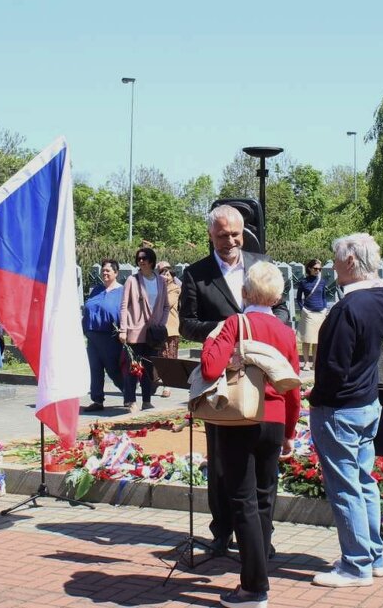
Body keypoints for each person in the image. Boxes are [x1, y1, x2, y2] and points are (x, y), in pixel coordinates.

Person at [179, 204, 290, 557]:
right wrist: (225, 332)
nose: (230, 241)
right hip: (222, 383)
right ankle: (221, 531)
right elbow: (186, 324)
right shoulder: (196, 273)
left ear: (244, 233)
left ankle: (260, 539)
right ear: (210, 234)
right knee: (221, 463)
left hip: (265, 378)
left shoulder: (261, 262)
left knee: (264, 473)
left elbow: (283, 308)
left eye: (235, 235)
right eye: (222, 235)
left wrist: (261, 330)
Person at [201, 261, 300, 608]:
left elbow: (210, 367)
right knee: (263, 500)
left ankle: (254, 587)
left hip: (240, 419)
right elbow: (293, 388)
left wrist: (217, 345)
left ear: (245, 292)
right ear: (278, 295)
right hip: (274, 421)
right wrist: (290, 431)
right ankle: (259, 574)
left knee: (241, 501)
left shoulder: (235, 323)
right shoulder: (287, 332)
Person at [308, 233, 383, 588]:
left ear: (351, 263)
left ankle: (355, 564)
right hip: (366, 402)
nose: (331, 265)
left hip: (339, 407)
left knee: (346, 488)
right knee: (364, 482)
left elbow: (333, 366)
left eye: (335, 259)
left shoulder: (347, 308)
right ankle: (373, 555)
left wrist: (315, 396)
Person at [118, 247, 169, 412]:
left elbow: (167, 306)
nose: (141, 261)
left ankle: (146, 400)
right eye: (138, 258)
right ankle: (131, 400)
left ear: (152, 261)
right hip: (135, 331)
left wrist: (161, 323)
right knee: (133, 367)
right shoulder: (132, 281)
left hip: (153, 333)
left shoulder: (161, 281)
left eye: (144, 258)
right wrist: (123, 329)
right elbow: (124, 306)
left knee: (148, 368)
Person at [81, 259, 125, 412]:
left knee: (113, 369)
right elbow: (89, 307)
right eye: (103, 271)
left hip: (110, 336)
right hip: (92, 335)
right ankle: (97, 399)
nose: (105, 273)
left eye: (108, 271)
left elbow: (126, 313)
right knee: (95, 368)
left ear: (116, 273)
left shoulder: (122, 291)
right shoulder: (97, 290)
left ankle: (128, 393)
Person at [295, 259, 327, 371]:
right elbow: (299, 298)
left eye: (319, 269)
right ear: (309, 268)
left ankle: (315, 363)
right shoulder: (303, 282)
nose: (317, 271)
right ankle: (306, 362)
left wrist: (325, 308)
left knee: (317, 340)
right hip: (308, 312)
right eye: (315, 268)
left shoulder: (322, 281)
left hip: (320, 312)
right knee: (307, 339)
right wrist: (303, 308)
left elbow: (323, 296)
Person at [155, 262, 181, 398]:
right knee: (159, 357)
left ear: (172, 276)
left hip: (170, 328)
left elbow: (168, 303)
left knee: (169, 357)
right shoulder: (156, 288)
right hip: (157, 328)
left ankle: (168, 385)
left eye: (167, 273)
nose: (164, 276)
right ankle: (157, 381)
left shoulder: (174, 288)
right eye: (162, 273)